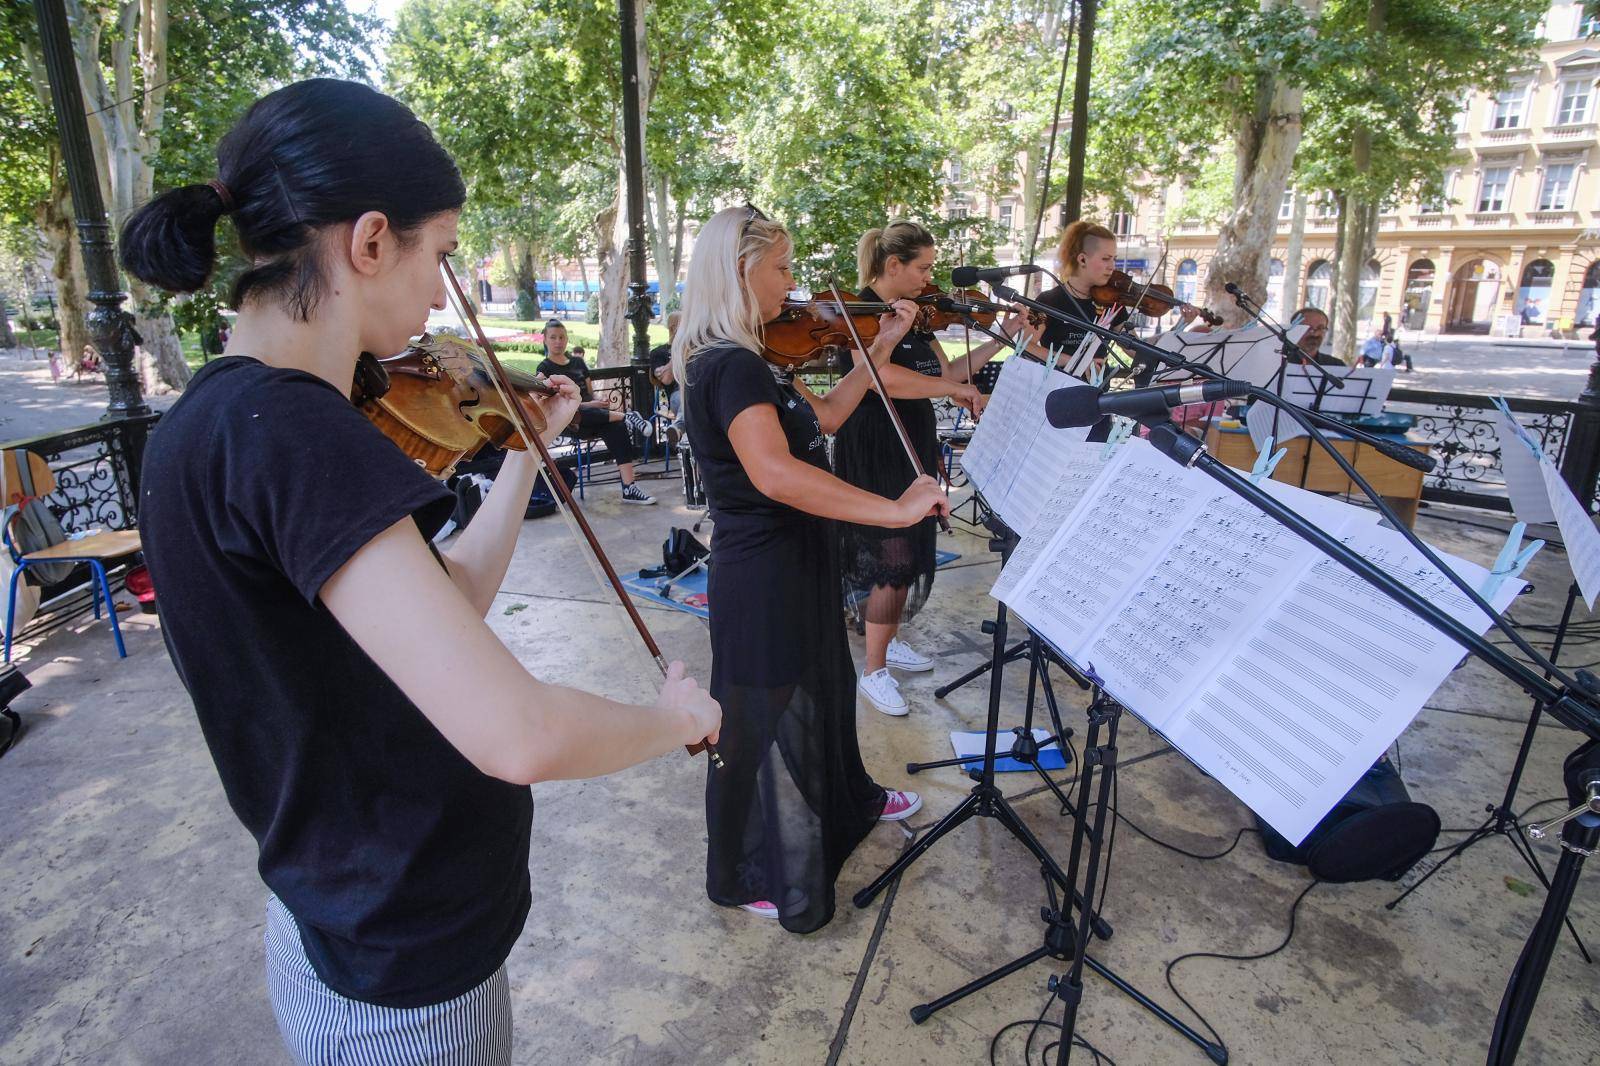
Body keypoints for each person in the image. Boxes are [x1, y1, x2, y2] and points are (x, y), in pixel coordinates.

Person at [120, 79, 720, 1063]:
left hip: (335, 907)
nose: (444, 295)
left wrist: (524, 448)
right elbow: (517, 733)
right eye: (437, 252)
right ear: (367, 241)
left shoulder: (213, 424)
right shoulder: (299, 436)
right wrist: (677, 721)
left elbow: (450, 603)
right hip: (401, 954)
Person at [674, 205, 949, 930]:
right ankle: (734, 872)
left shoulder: (754, 354)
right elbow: (775, 475)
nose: (794, 285)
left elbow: (823, 418)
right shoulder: (729, 364)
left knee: (823, 686)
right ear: (740, 273)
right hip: (762, 571)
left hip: (797, 560)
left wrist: (879, 345)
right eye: (782, 269)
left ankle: (848, 799)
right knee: (753, 722)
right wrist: (892, 509)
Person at [832, 221, 1004, 716]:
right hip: (877, 444)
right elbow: (880, 377)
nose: (930, 280)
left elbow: (944, 374)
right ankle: (874, 669)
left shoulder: (916, 317)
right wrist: (954, 392)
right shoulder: (862, 312)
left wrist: (1002, 337)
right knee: (890, 553)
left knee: (908, 549)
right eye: (923, 268)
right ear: (893, 266)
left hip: (913, 440)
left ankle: (885, 641)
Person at [536, 322, 657, 504]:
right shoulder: (544, 368)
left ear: (567, 339)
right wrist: (589, 404)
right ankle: (629, 416)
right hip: (569, 421)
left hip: (592, 416)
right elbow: (544, 401)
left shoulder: (578, 362)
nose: (558, 342)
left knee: (616, 426)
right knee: (576, 411)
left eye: (561, 337)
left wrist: (597, 403)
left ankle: (629, 487)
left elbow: (590, 392)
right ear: (544, 339)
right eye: (553, 337)